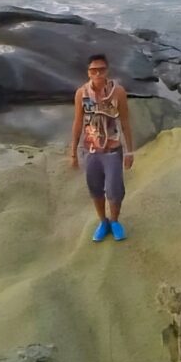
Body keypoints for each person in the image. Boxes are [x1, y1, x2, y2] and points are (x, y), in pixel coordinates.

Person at [70, 52, 134, 242]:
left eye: (101, 70)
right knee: (95, 188)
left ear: (107, 71)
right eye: (93, 70)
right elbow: (78, 122)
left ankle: (114, 221)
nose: (98, 74)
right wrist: (73, 152)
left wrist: (130, 151)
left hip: (113, 149)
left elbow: (125, 122)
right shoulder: (82, 94)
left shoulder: (118, 92)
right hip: (91, 150)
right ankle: (102, 221)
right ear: (88, 72)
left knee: (114, 189)